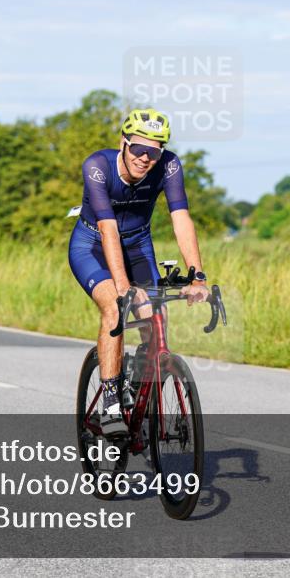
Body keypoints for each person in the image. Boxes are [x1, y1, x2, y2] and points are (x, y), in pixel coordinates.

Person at [68, 108, 210, 438]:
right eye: (138, 149)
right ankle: (112, 400)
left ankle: (140, 384)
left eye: (154, 151)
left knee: (154, 318)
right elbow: (107, 229)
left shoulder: (169, 166)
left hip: (138, 244)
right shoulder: (98, 167)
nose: (145, 158)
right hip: (93, 245)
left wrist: (197, 276)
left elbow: (181, 218)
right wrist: (123, 286)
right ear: (123, 143)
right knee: (115, 309)